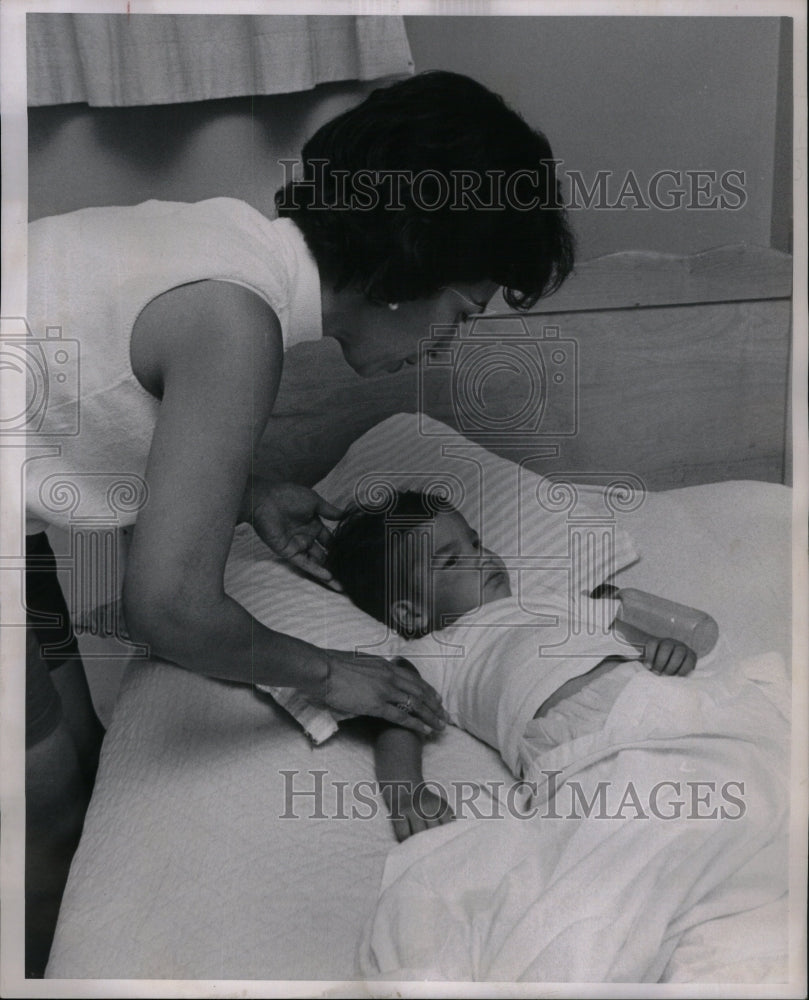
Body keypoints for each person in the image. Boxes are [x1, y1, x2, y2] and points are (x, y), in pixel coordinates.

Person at [22, 70, 574, 973]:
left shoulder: (220, 244)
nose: (447, 343)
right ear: (408, 271)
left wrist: (250, 487)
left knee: (74, 751)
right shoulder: (237, 325)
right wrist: (326, 672)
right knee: (42, 792)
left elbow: (85, 389)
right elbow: (167, 608)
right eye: (460, 312)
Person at [327, 492, 698, 841]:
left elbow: (618, 631)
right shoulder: (438, 649)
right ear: (412, 612)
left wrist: (659, 648)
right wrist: (407, 794)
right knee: (637, 819)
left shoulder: (551, 601)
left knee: (724, 745)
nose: (482, 557)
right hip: (570, 733)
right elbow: (397, 714)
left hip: (643, 686)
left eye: (474, 542)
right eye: (452, 560)